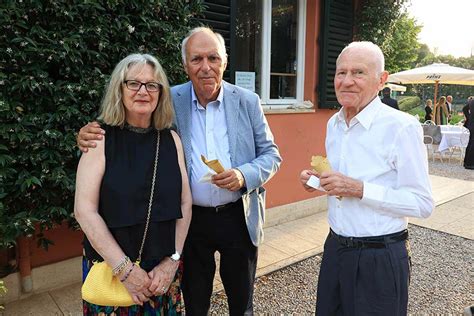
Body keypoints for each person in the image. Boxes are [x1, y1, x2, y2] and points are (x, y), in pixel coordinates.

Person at [77, 27, 282, 315]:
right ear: (185, 65)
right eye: (196, 59)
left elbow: (272, 155)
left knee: (241, 301)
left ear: (225, 61)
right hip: (192, 220)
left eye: (213, 57)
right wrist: (87, 133)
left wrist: (243, 175)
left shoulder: (247, 101)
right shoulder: (168, 98)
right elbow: (129, 123)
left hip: (238, 215)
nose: (206, 67)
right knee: (195, 302)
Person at [299, 41, 434, 315]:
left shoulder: (401, 127)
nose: (347, 81)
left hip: (380, 257)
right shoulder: (333, 123)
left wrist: (360, 189)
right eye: (341, 73)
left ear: (381, 80)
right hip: (335, 249)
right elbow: (340, 185)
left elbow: (422, 204)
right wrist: (317, 181)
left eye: (358, 73)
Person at [74, 54, 192, 314]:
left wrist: (172, 260)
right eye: (133, 84)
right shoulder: (100, 139)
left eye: (152, 85)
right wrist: (126, 271)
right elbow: (84, 210)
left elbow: (185, 202)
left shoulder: (171, 139)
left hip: (162, 274)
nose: (143, 91)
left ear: (161, 93)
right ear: (120, 89)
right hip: (111, 271)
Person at [463, 98, 474, 169]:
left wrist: (469, 117)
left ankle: (467, 162)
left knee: (470, 143)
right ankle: (469, 164)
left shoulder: (472, 101)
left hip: (471, 124)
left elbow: (464, 109)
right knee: (472, 144)